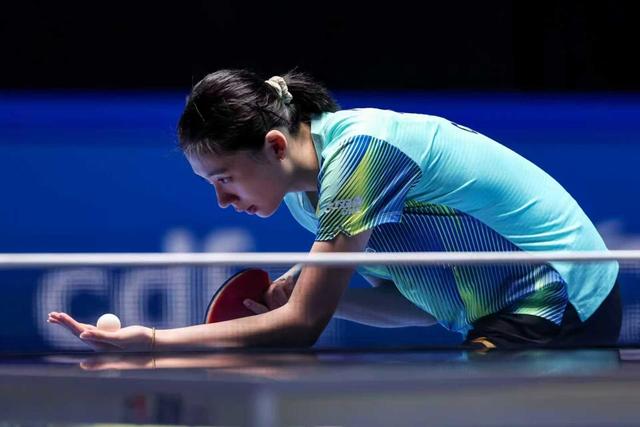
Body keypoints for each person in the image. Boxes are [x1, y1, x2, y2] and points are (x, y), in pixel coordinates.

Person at [49, 69, 621, 351]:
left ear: (275, 145)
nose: (222, 200)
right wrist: (324, 289)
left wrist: (155, 344)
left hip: (562, 293)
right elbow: (421, 306)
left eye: (224, 178)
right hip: (503, 309)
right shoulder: (308, 200)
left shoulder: (362, 154)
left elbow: (302, 325)